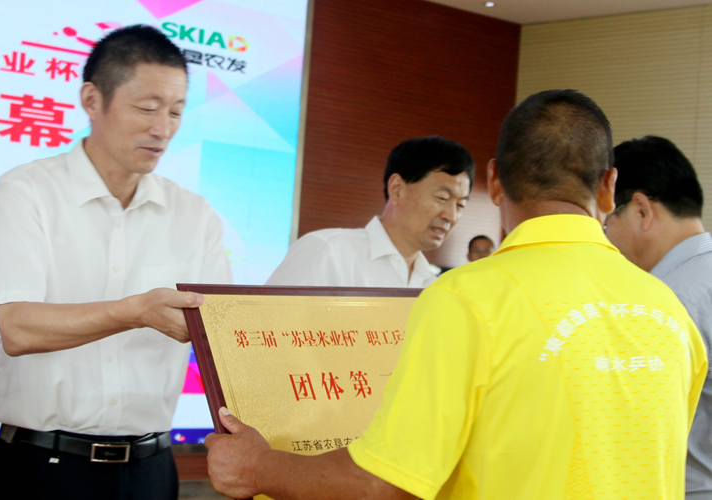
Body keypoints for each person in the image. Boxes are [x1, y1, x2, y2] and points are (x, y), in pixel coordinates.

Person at [204, 90, 707, 500]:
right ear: (609, 186)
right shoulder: (668, 309)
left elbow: (385, 483)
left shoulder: (468, 298)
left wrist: (257, 467)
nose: (449, 212)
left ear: (494, 181)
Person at [0, 25, 232, 500]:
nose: (162, 128)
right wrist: (135, 312)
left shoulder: (195, 215)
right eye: (147, 108)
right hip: (39, 468)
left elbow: (221, 332)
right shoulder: (27, 191)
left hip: (151, 470)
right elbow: (18, 328)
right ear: (92, 100)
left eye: (175, 112)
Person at [604, 135, 712, 500]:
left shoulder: (667, 303)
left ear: (641, 210)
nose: (606, 240)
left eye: (606, 223)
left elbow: (633, 428)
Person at [265, 136, 474, 287]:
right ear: (397, 190)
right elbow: (267, 330)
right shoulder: (329, 251)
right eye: (442, 198)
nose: (451, 216)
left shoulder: (433, 285)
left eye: (460, 205)